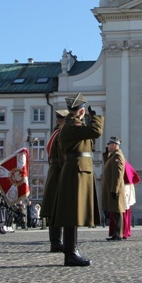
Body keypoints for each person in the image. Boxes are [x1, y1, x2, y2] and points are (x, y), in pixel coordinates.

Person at [51, 93, 104, 266]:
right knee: (71, 214)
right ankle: (71, 253)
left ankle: (71, 251)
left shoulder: (71, 124)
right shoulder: (73, 124)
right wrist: (95, 116)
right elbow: (96, 131)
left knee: (72, 214)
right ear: (81, 111)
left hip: (77, 169)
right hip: (76, 171)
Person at [40, 109, 68, 252]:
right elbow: (63, 155)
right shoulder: (61, 134)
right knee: (58, 208)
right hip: (59, 171)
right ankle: (56, 242)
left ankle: (55, 241)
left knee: (53, 208)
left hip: (53, 170)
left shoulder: (54, 133)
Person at [102, 137, 126, 241]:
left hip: (115, 189)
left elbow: (118, 174)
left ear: (114, 145)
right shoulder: (113, 156)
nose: (108, 146)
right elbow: (107, 163)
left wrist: (114, 189)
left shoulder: (117, 156)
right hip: (111, 188)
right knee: (115, 211)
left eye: (109, 144)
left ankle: (118, 234)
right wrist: (106, 153)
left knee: (117, 211)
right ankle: (116, 234)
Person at [122, 160, 140, 239]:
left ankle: (124, 231)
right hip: (126, 189)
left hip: (125, 190)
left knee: (124, 212)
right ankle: (125, 231)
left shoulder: (123, 163)